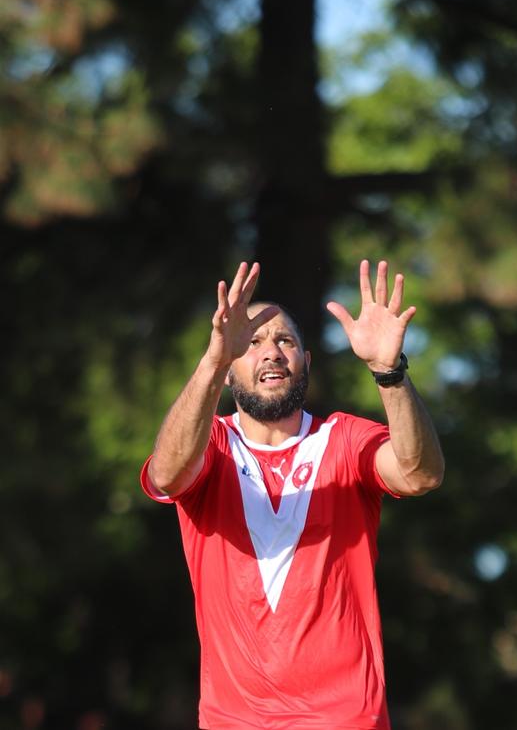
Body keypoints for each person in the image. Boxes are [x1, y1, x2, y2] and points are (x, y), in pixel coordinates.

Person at [141, 259, 445, 730]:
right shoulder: (213, 448)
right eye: (253, 341)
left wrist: (390, 373)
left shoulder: (344, 439)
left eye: (285, 340)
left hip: (346, 720)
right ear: (229, 369)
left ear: (306, 361)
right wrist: (212, 359)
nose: (272, 352)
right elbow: (168, 473)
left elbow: (420, 473)